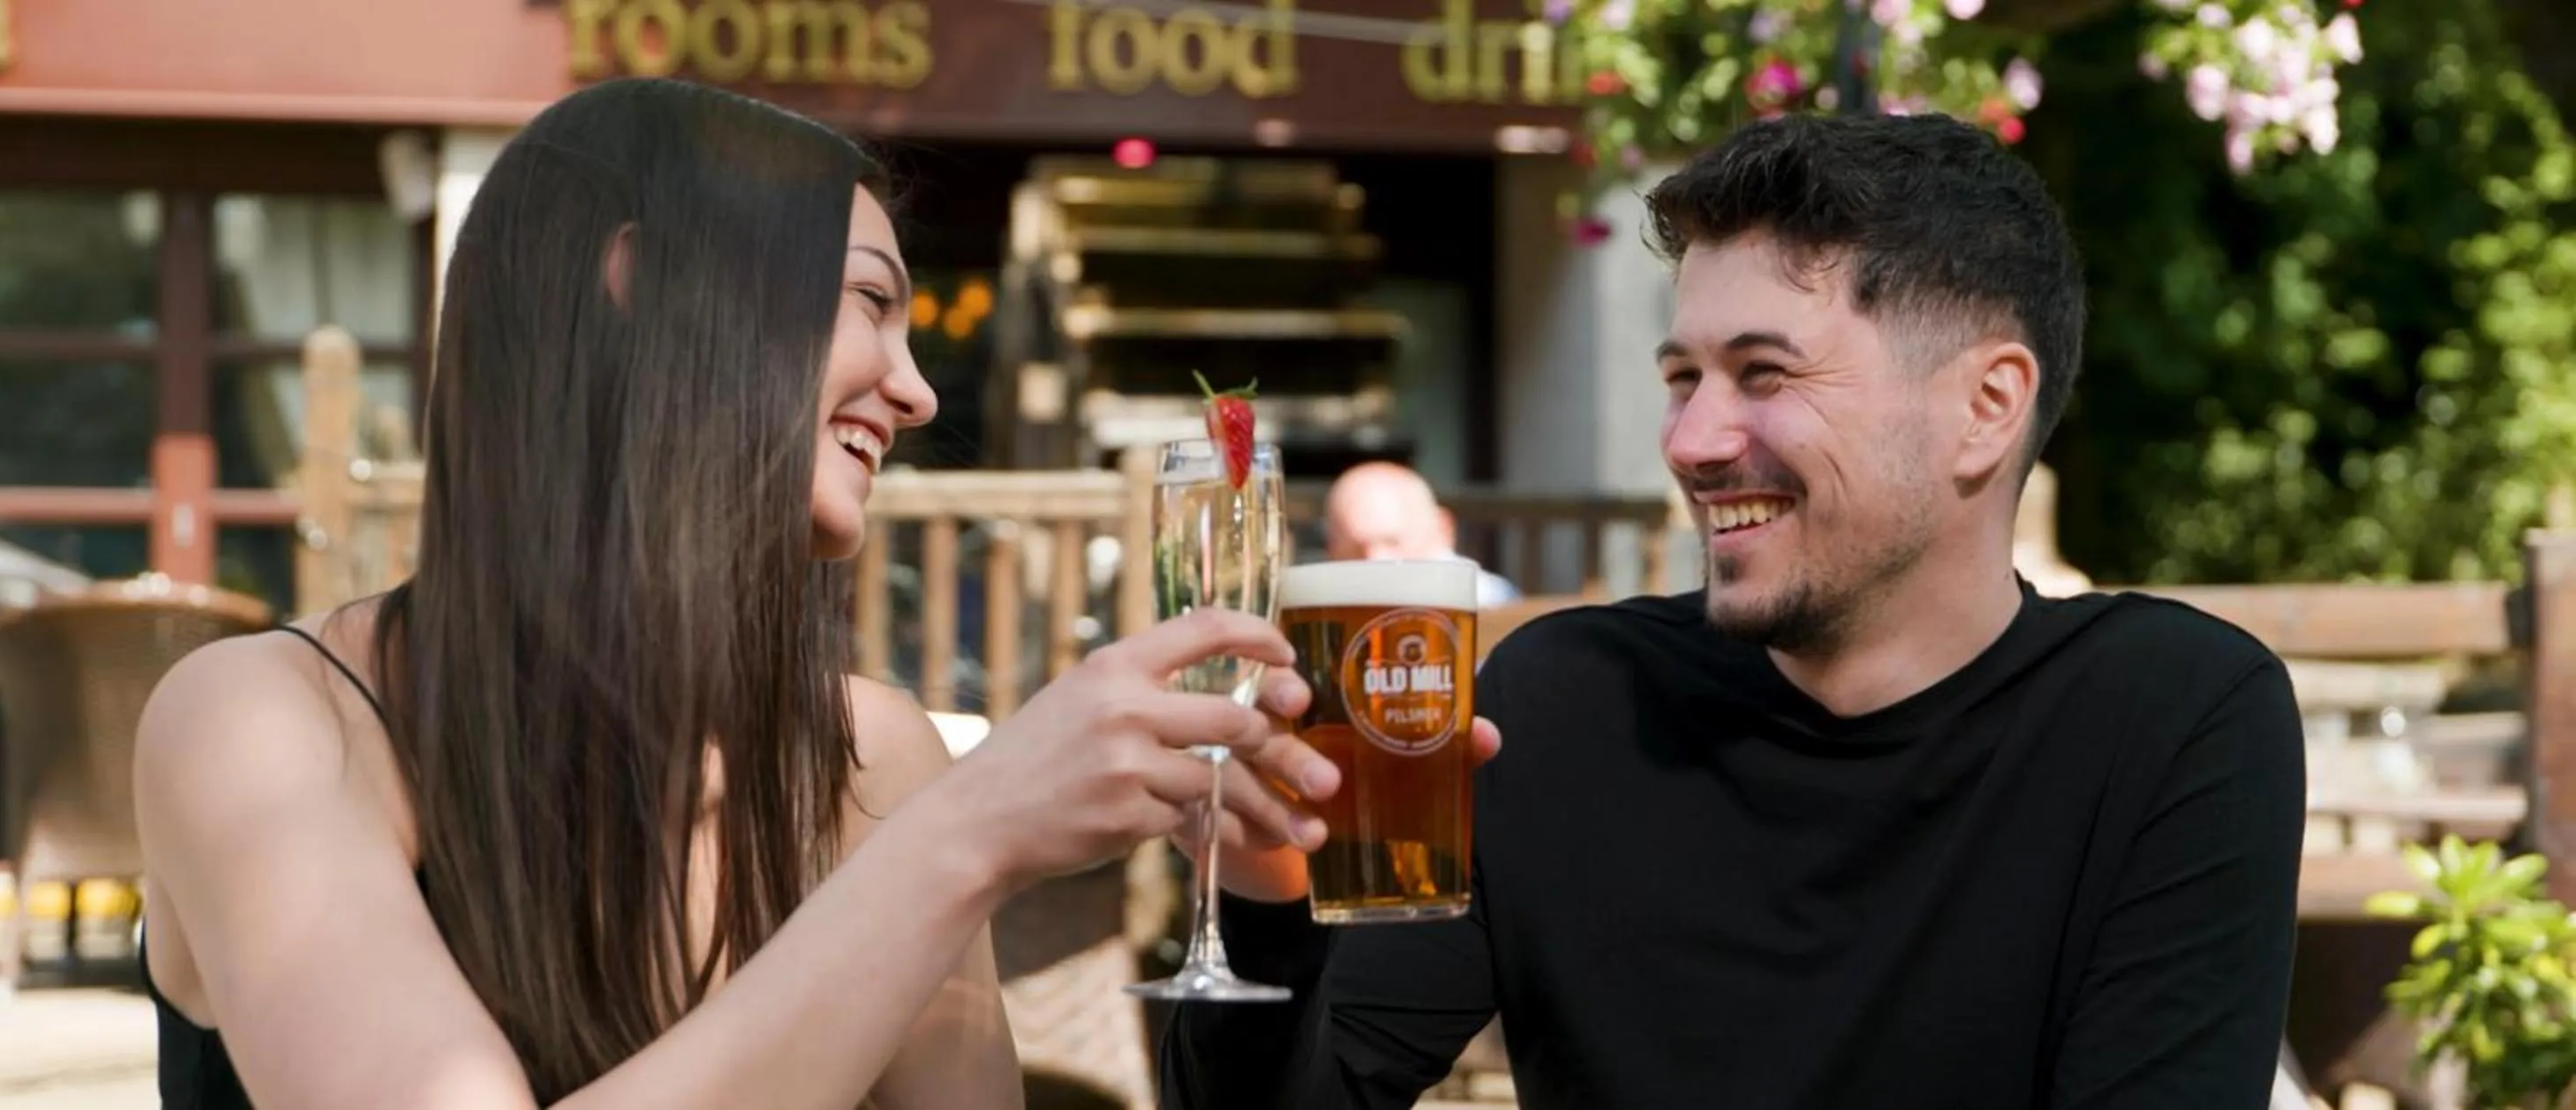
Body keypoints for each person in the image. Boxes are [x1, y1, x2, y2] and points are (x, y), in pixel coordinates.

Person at [130, 78, 1342, 1110]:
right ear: (646, 285)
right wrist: (963, 840)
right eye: (871, 301)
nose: (918, 393)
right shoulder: (265, 719)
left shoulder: (867, 757)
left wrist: (1261, 892)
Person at [1159, 111, 2305, 1108]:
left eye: (1765, 374)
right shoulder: (1562, 704)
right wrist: (1263, 887)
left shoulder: (2168, 716)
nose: (1692, 441)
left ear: (1986, 407)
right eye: (1681, 378)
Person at [1321, 461, 1520, 607]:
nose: (1375, 560)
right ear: (1331, 549)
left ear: (1443, 530)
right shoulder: (1320, 610)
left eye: (1392, 543)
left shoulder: (1493, 602)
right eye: (1357, 549)